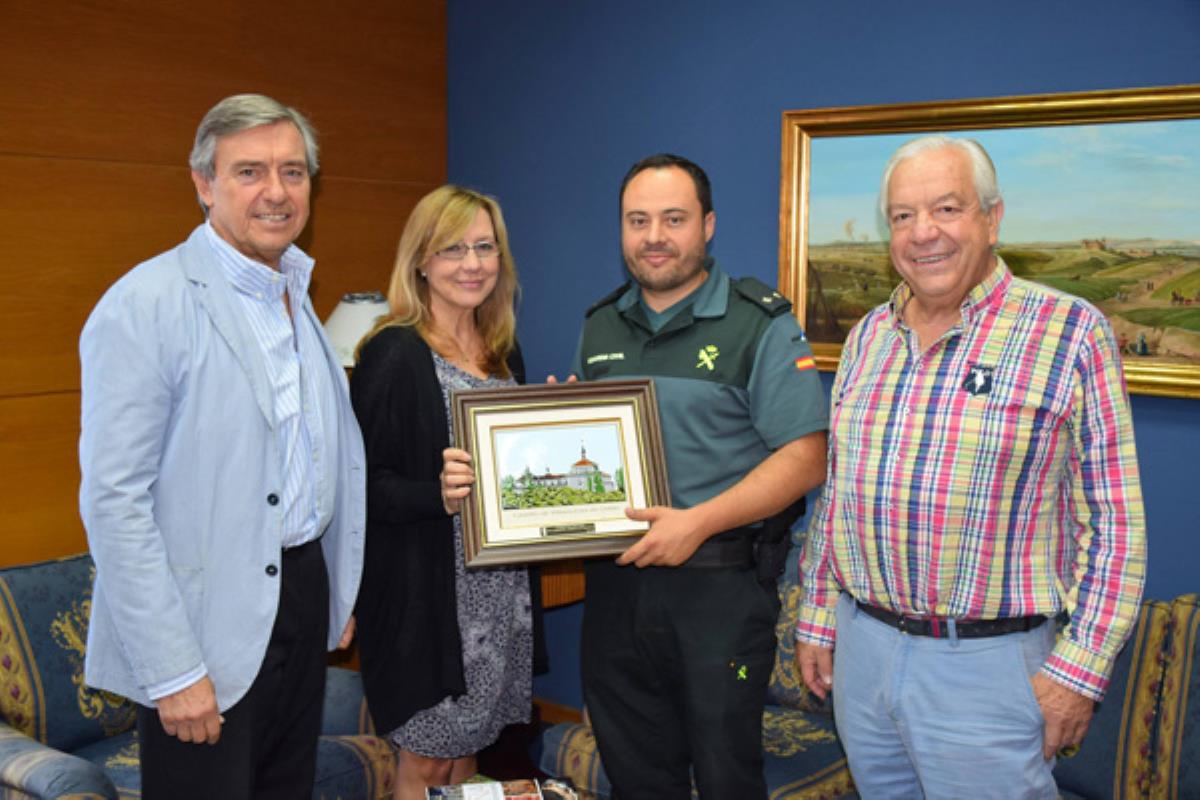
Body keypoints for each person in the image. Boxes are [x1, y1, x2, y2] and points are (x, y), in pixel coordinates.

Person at [794, 135, 1147, 798]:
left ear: (993, 217)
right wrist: (817, 612)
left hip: (986, 666)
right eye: (903, 216)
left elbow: (1117, 526)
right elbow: (840, 492)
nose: (923, 233)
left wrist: (1079, 670)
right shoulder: (870, 335)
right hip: (863, 652)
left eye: (947, 209)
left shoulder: (1069, 332)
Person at [78, 93, 364, 799]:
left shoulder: (294, 293)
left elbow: (312, 459)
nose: (276, 191)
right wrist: (173, 671)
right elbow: (115, 502)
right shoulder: (145, 304)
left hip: (296, 600)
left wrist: (335, 584)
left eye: (293, 172)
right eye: (250, 172)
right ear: (204, 184)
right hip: (199, 626)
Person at [568, 154, 829, 798]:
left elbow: (805, 456)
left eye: (673, 218)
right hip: (617, 585)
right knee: (634, 771)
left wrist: (699, 523)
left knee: (724, 776)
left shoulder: (758, 321)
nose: (654, 236)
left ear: (707, 226)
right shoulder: (600, 323)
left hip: (719, 589)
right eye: (638, 220)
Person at [350, 185, 533, 799]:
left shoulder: (506, 354)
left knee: (466, 762)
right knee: (427, 763)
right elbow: (358, 489)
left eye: (485, 247)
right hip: (426, 604)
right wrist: (436, 493)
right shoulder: (393, 353)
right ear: (422, 261)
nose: (473, 263)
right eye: (454, 249)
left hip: (499, 596)